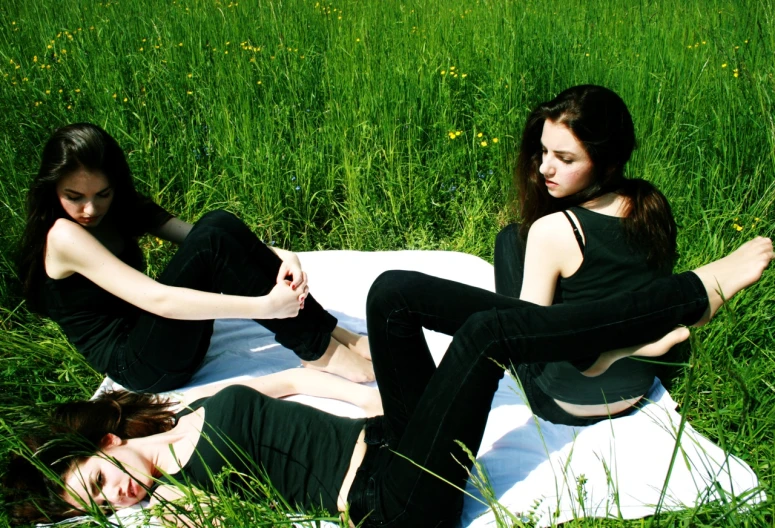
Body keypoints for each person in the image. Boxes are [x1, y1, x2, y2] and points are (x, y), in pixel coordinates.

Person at [4, 237, 772, 527]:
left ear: (105, 440)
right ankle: (681, 299)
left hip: (394, 437)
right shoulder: (176, 501)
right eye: (98, 512)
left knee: (394, 294)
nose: (117, 503)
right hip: (395, 501)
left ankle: (585, 350)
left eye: (100, 489)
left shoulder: (181, 414)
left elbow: (295, 383)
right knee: (484, 337)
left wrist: (389, 392)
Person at [17, 123, 374, 391]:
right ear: (52, 189)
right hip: (140, 365)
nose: (90, 208)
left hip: (163, 339)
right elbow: (157, 298)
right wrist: (265, 306)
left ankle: (333, 332)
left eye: (103, 194)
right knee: (213, 238)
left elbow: (207, 237)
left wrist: (284, 256)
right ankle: (321, 353)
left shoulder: (121, 208)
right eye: (74, 196)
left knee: (216, 224)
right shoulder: (63, 236)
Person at [494, 85, 681, 425]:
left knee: (509, 239)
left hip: (563, 402)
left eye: (564, 159)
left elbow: (526, 340)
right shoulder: (651, 205)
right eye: (544, 152)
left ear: (606, 161)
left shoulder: (555, 231)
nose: (544, 169)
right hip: (636, 389)